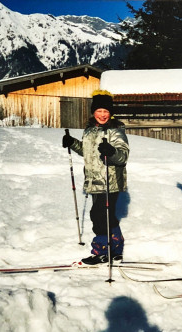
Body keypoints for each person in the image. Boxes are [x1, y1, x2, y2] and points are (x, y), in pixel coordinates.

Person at [62, 90, 129, 265]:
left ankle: (100, 251)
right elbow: (87, 153)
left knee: (98, 216)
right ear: (93, 112)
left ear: (111, 113)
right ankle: (116, 248)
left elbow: (122, 157)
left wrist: (111, 152)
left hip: (110, 181)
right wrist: (73, 143)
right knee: (109, 217)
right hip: (94, 181)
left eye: (106, 112)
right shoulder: (90, 130)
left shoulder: (116, 131)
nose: (102, 115)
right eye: (99, 111)